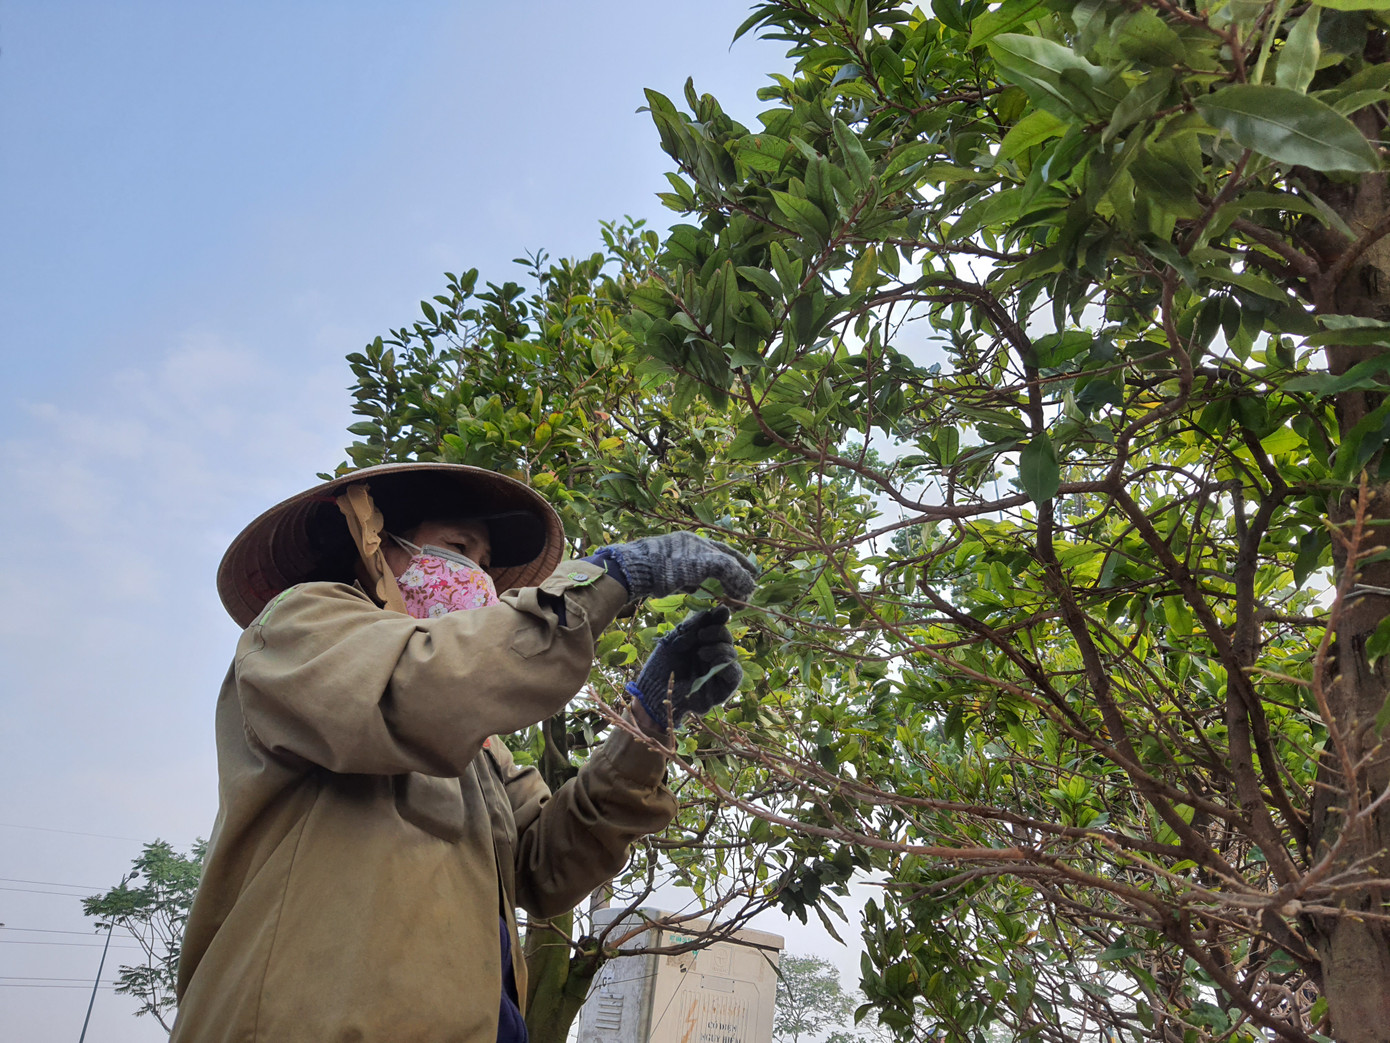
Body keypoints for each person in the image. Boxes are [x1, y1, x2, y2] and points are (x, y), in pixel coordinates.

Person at [170, 461, 758, 1043]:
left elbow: (546, 867)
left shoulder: (481, 753)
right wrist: (605, 578)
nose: (476, 575)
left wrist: (650, 719)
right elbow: (423, 686)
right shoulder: (300, 627)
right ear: (374, 544)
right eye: (458, 546)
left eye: (483, 562)